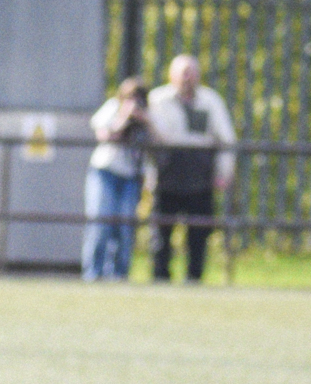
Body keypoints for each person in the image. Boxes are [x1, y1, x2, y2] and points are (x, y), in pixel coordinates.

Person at [146, 56, 235, 283]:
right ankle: (160, 277)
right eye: (183, 72)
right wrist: (147, 176)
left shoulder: (211, 101)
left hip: (200, 173)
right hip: (167, 172)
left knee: (199, 231)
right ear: (171, 74)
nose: (187, 78)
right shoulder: (157, 100)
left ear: (198, 75)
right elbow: (148, 142)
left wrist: (223, 173)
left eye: (191, 72)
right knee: (161, 230)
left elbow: (226, 139)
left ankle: (194, 278)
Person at [84, 76, 149, 282]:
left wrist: (145, 120)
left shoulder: (148, 115)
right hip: (106, 172)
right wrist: (123, 118)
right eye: (131, 98)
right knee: (100, 223)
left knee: (125, 227)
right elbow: (103, 135)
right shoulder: (113, 107)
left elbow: (160, 139)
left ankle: (119, 274)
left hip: (131, 176)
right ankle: (93, 273)